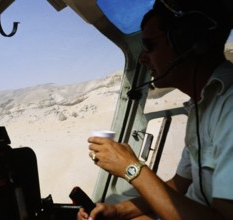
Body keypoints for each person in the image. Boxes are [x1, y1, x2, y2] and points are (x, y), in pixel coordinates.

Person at [77, 0, 233, 219]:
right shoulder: (201, 107)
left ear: (187, 42)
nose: (142, 58)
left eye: (149, 46)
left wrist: (131, 168)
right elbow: (179, 185)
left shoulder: (229, 107)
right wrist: (117, 210)